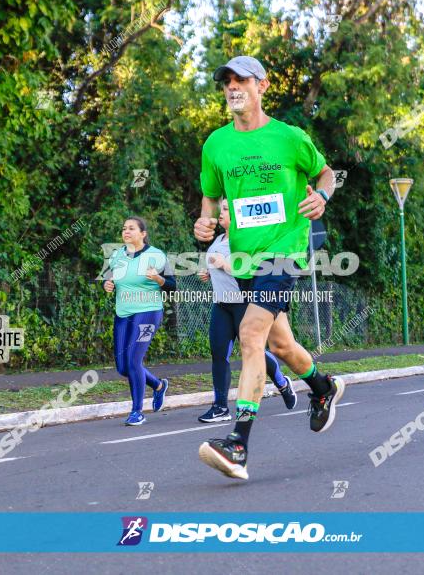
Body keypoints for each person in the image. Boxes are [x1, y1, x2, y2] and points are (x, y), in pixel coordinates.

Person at [193, 55, 344, 480]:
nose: (232, 87)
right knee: (280, 345)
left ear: (262, 85)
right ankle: (322, 387)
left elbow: (326, 172)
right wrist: (205, 220)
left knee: (250, 335)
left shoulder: (289, 137)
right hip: (243, 258)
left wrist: (323, 197)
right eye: (226, 81)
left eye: (241, 79)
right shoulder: (216, 145)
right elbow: (210, 196)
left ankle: (238, 444)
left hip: (285, 252)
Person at [197, 199, 297, 422]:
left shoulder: (247, 243)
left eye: (225, 209)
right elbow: (217, 267)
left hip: (245, 303)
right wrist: (208, 273)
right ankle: (220, 406)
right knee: (218, 354)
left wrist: (224, 265)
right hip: (222, 304)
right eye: (220, 208)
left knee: (254, 352)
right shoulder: (217, 241)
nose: (220, 213)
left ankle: (281, 382)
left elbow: (251, 271)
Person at [102, 217, 173, 426]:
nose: (126, 231)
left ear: (143, 233)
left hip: (148, 312)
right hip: (123, 314)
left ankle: (137, 411)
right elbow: (110, 279)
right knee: (123, 367)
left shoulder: (156, 255)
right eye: (124, 228)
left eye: (131, 228)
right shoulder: (116, 255)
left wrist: (159, 279)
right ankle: (159, 385)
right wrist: (107, 285)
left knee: (134, 361)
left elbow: (172, 286)